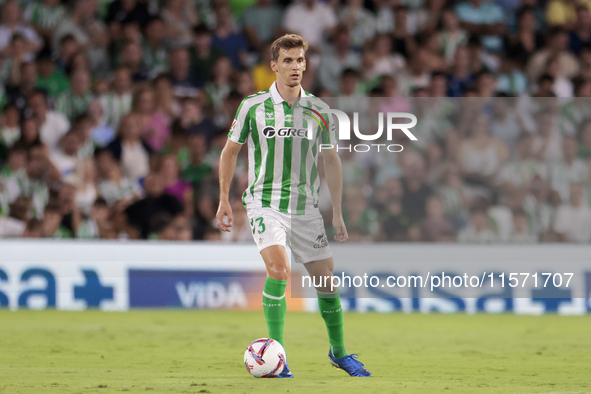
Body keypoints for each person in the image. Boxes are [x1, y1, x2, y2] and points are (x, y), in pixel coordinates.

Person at [215, 34, 371, 378]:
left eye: (300, 60)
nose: (295, 67)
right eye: (288, 60)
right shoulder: (253, 106)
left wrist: (338, 211)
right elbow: (229, 152)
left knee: (326, 282)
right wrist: (225, 198)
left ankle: (339, 352)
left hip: (305, 207)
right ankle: (277, 355)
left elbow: (331, 160)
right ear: (274, 66)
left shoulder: (320, 110)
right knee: (279, 270)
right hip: (264, 203)